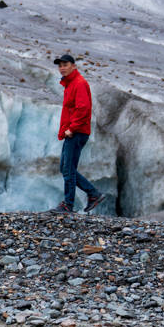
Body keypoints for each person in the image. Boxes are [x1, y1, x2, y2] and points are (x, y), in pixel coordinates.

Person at [55, 54, 105, 214]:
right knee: (65, 168)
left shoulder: (79, 83)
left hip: (76, 132)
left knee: (68, 169)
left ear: (73, 66)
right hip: (72, 132)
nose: (62, 68)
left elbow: (83, 108)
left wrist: (72, 128)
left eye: (65, 64)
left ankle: (68, 205)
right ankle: (93, 193)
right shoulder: (70, 84)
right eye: (60, 65)